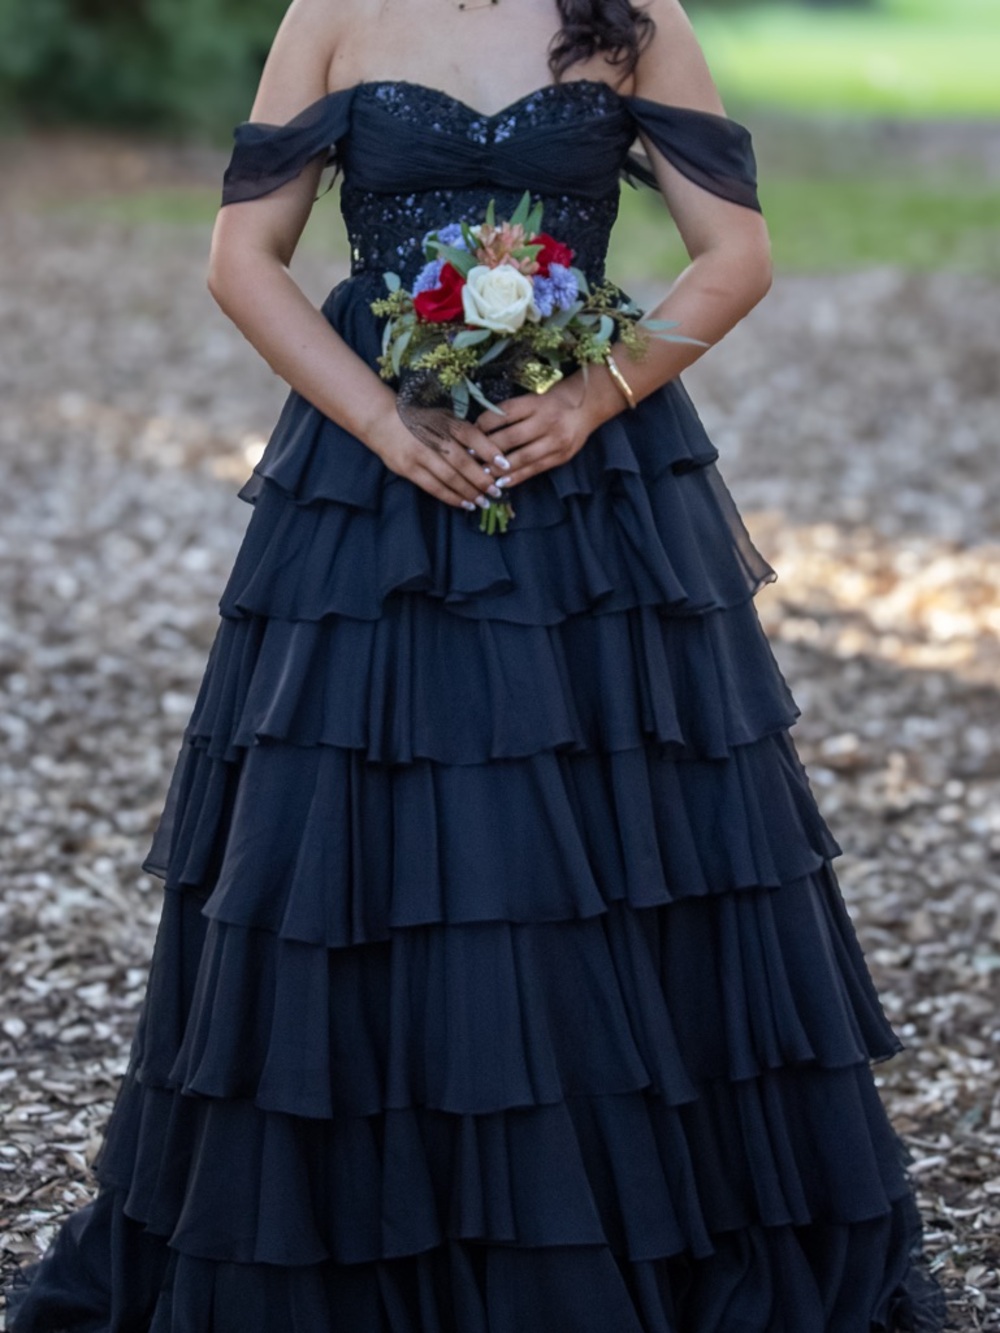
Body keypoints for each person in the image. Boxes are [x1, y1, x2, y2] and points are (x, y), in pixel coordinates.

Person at [4, 0, 950, 1329]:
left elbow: (734, 253)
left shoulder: (634, 18)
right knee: (357, 845)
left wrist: (589, 398)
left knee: (620, 843)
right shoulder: (330, 13)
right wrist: (387, 425)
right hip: (377, 483)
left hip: (593, 488)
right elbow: (244, 256)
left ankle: (627, 1221)